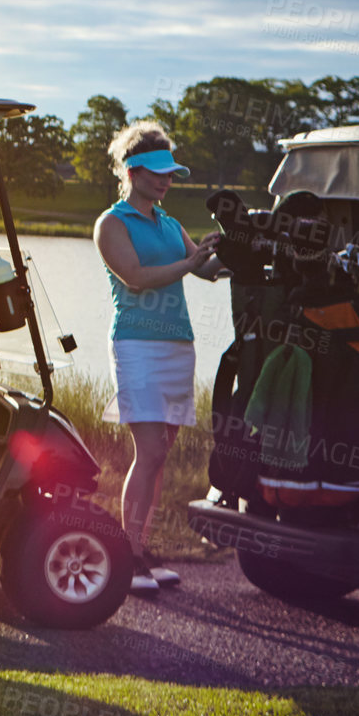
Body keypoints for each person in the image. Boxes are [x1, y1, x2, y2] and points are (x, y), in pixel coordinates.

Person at [92, 123, 223, 595]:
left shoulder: (169, 223)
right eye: (158, 173)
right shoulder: (112, 223)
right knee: (147, 453)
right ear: (133, 171)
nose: (166, 181)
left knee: (160, 455)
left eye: (171, 174)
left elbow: (207, 270)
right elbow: (135, 278)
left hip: (176, 346)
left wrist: (232, 250)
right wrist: (191, 264)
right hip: (137, 345)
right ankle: (128, 557)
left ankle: (141, 549)